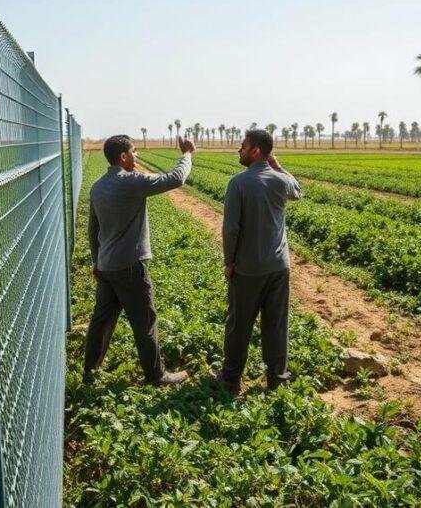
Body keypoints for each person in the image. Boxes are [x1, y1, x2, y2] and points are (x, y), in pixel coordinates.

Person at [83, 133, 196, 386]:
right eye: (134, 151)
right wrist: (187, 154)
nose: (137, 155)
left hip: (107, 266)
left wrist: (96, 262)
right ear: (123, 156)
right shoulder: (131, 182)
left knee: (101, 321)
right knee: (145, 321)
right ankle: (157, 376)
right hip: (130, 266)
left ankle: (90, 373)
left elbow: (93, 229)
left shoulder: (97, 187)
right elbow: (175, 179)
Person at [215, 128, 302, 395]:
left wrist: (229, 262)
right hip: (279, 267)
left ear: (255, 151)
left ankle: (230, 380)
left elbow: (231, 229)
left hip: (249, 269)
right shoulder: (280, 181)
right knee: (276, 325)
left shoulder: (239, 183)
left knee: (239, 324)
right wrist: (278, 165)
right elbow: (297, 190)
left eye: (242, 146)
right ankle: (278, 381)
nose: (238, 150)